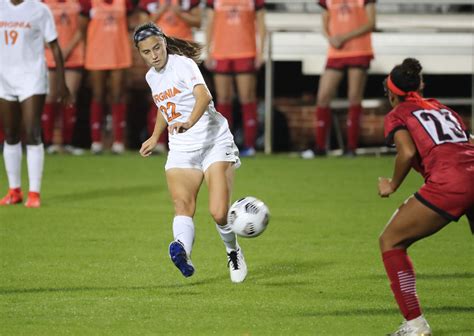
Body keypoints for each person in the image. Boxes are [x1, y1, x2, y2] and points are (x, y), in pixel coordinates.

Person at [135, 22, 247, 283]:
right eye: (146, 52)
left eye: (157, 48)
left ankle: (233, 251)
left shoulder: (183, 64)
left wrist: (189, 122)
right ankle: (182, 251)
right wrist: (154, 136)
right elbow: (166, 107)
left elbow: (204, 97)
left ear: (164, 43)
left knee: (219, 213)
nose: (154, 55)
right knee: (182, 206)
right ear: (140, 54)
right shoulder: (151, 77)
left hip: (213, 142)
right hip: (181, 149)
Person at [378, 58, 474, 336]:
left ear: (392, 94)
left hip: (450, 180)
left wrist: (392, 184)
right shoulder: (443, 108)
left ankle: (416, 325)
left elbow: (406, 153)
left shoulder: (398, 114)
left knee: (391, 241)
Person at [0, 0, 69, 208]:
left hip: (32, 78)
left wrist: (62, 82)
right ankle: (14, 191)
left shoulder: (39, 9)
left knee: (32, 131)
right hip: (4, 78)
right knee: (10, 133)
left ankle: (34, 193)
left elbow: (55, 47)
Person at [301, 0, 376, 159]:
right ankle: (320, 147)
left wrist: (345, 37)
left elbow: (371, 23)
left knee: (354, 97)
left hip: (359, 50)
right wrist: (330, 38)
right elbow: (324, 21)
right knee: (323, 96)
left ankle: (351, 148)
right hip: (336, 52)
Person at [138, 0, 202, 154]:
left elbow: (198, 21)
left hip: (179, 53)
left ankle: (195, 138)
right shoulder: (149, 2)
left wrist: (178, 12)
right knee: (164, 98)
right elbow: (141, 30)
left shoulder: (183, 63)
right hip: (159, 55)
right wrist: (162, 10)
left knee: (187, 97)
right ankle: (161, 142)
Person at [205, 0, 266, 157]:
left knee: (247, 97)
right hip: (221, 52)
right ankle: (224, 145)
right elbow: (210, 22)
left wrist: (261, 51)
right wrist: (208, 50)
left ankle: (250, 145)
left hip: (246, 51)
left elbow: (261, 23)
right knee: (223, 98)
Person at [82, 0, 134, 154]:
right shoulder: (89, 3)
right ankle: (96, 142)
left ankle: (118, 142)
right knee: (98, 95)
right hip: (97, 52)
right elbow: (82, 28)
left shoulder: (124, 2)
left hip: (119, 52)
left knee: (118, 95)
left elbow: (131, 23)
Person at [42, 0, 87, 155]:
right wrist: (54, 48)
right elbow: (37, 28)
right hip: (49, 55)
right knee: (50, 97)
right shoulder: (43, 3)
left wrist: (66, 49)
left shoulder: (79, 2)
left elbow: (82, 29)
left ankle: (67, 142)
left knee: (69, 96)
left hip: (73, 55)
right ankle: (48, 143)